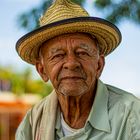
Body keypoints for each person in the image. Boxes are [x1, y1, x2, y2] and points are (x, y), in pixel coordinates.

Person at [15, 0, 140, 139]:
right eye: (58, 55)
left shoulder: (132, 115)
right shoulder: (32, 124)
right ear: (42, 70)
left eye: (82, 53)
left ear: (99, 65)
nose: (71, 63)